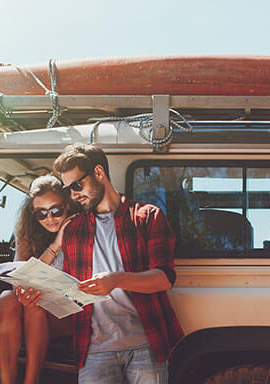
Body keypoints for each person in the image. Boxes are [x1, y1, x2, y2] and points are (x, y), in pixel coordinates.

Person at [54, 143, 183, 383]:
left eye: (77, 185)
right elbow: (70, 291)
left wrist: (115, 280)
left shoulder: (147, 216)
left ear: (99, 173)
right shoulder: (73, 230)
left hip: (147, 344)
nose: (73, 195)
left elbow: (164, 278)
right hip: (94, 349)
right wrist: (38, 294)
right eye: (68, 189)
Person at [0, 175, 78, 384]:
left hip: (69, 315)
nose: (49, 218)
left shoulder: (79, 230)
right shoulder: (27, 235)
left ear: (67, 206)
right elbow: (20, 281)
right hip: (35, 310)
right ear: (33, 215)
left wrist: (58, 243)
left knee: (35, 302)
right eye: (41, 213)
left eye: (56, 211)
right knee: (7, 298)